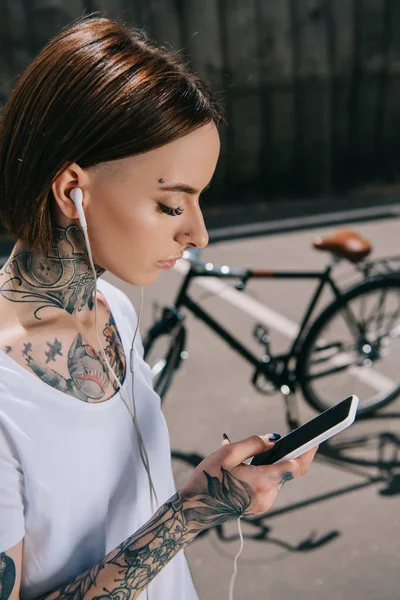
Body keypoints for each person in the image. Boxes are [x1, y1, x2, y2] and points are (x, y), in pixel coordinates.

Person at [0, 15, 317, 600]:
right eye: (173, 206)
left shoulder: (113, 308)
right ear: (73, 190)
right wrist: (191, 513)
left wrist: (207, 493)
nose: (198, 235)